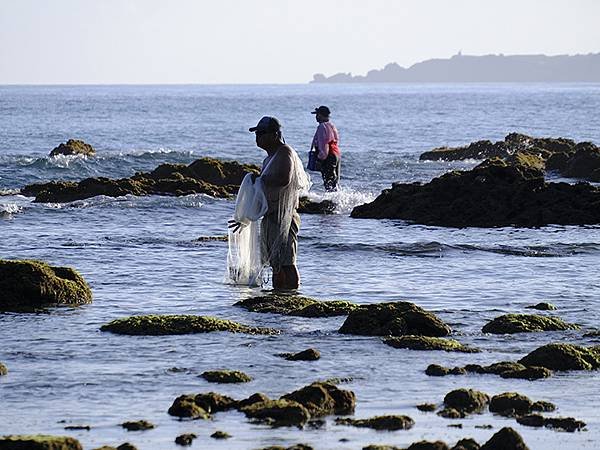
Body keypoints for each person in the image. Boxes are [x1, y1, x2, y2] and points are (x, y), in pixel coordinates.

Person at [228, 116, 309, 290]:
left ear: (274, 135)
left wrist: (259, 178)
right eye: (256, 134)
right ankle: (278, 297)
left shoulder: (285, 152)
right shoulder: (268, 159)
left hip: (284, 217)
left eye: (261, 133)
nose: (257, 137)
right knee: (276, 263)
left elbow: (283, 179)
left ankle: (291, 297)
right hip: (271, 217)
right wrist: (245, 217)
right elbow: (262, 192)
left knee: (287, 262)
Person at [311, 105, 341, 191]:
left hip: (329, 156)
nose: (316, 117)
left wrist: (320, 160)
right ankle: (337, 200)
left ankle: (331, 202)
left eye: (317, 115)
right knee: (335, 181)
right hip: (336, 154)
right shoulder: (332, 126)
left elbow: (324, 145)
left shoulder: (322, 127)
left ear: (320, 115)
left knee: (329, 182)